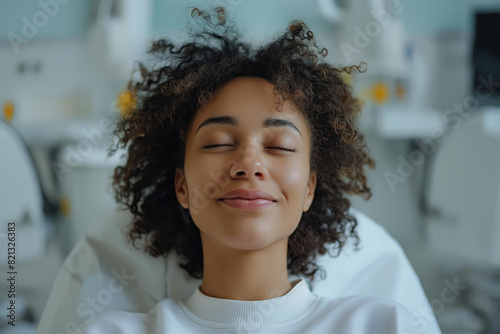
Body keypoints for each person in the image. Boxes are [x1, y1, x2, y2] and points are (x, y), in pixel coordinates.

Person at [80, 6, 425, 333]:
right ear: (181, 186)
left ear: (309, 189)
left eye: (279, 146)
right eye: (217, 143)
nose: (248, 164)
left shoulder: (383, 325)